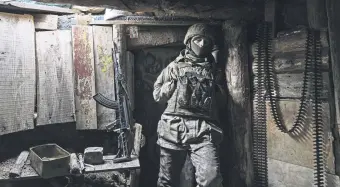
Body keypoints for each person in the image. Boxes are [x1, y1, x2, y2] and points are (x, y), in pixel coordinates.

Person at [153, 23, 225, 187]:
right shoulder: (174, 67)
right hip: (173, 128)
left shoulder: (214, 71)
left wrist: (216, 87)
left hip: (203, 130)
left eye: (206, 42)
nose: (201, 44)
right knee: (166, 180)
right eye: (198, 39)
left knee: (211, 179)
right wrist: (169, 87)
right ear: (189, 41)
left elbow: (222, 102)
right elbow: (157, 95)